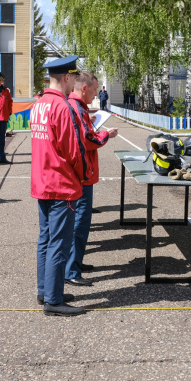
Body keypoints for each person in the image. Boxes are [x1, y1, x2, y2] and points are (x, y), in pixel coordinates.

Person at [31, 55, 88, 316]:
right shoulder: (62, 107)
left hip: (42, 181)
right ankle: (54, 300)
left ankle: (46, 290)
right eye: (74, 78)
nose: (74, 82)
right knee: (59, 243)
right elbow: (74, 150)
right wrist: (82, 177)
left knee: (45, 239)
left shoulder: (39, 104)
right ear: (67, 77)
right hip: (61, 183)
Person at [65, 73, 118, 287]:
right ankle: (71, 269)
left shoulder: (77, 107)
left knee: (81, 224)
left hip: (81, 173)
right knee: (79, 224)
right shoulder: (76, 107)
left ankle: (75, 263)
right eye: (95, 89)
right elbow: (86, 140)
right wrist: (106, 135)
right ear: (84, 88)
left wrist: (92, 121)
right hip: (82, 175)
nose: (97, 93)